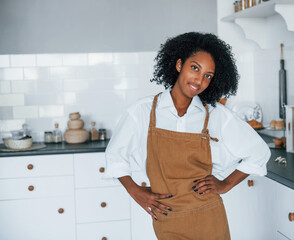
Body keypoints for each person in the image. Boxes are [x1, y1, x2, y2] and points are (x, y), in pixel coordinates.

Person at [104, 32, 270, 239]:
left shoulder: (216, 114)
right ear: (179, 64)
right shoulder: (143, 111)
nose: (199, 80)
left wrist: (225, 184)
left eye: (208, 76)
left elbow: (259, 152)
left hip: (210, 217)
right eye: (195, 68)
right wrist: (135, 192)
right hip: (167, 218)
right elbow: (115, 156)